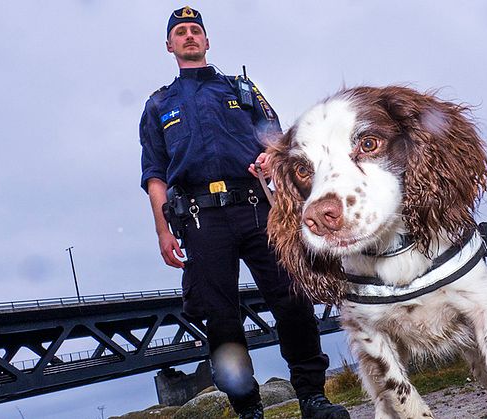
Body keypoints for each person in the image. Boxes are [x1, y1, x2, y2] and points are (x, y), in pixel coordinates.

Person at [138, 7, 350, 419]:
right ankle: (248, 408)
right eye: (180, 32)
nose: (189, 37)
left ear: (207, 40)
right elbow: (154, 174)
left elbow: (276, 139)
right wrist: (163, 231)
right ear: (169, 45)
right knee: (220, 319)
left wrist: (272, 158)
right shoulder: (158, 105)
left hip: (258, 208)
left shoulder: (241, 88)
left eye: (195, 30)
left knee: (291, 300)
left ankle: (312, 397)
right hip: (200, 219)